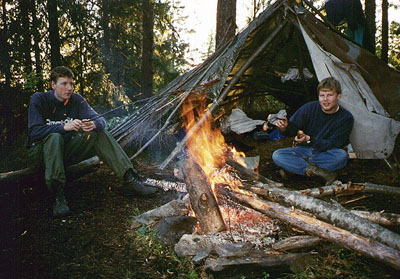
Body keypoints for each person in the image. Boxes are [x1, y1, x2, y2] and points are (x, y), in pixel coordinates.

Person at [26, 66, 157, 217]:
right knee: (54, 136)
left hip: (65, 152)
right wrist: (63, 127)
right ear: (53, 85)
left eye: (71, 84)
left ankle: (129, 178)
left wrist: (93, 124)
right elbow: (34, 132)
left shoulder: (76, 100)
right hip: (41, 153)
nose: (69, 88)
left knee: (98, 133)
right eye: (64, 83)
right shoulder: (40, 99)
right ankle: (57, 194)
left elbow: (101, 120)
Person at [272, 77, 354, 185]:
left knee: (342, 156)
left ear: (338, 96)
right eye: (322, 95)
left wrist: (310, 140)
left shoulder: (346, 118)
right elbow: (292, 129)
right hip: (304, 151)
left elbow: (334, 144)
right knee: (277, 155)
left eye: (329, 95)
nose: (325, 100)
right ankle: (318, 172)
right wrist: (284, 128)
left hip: (325, 154)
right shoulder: (309, 108)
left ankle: (296, 171)